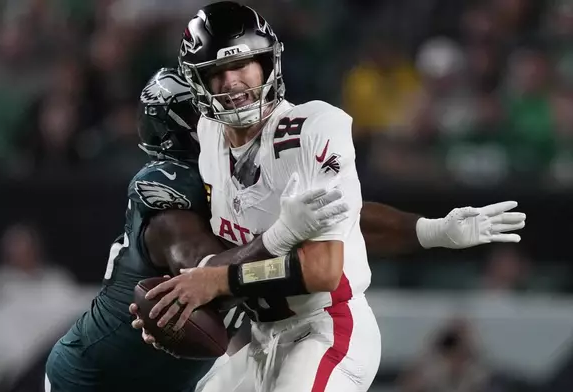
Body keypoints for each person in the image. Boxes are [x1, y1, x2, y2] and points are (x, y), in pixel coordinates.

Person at [144, 3, 526, 392]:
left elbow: (323, 267)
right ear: (197, 82)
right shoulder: (206, 136)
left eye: (243, 64)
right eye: (215, 72)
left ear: (267, 62)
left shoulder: (311, 128)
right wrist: (175, 304)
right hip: (260, 337)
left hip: (325, 329)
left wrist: (218, 280)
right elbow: (346, 218)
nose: (232, 81)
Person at [43, 67, 350, 392]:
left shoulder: (249, 184)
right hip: (92, 382)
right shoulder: (171, 201)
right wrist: (283, 237)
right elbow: (204, 272)